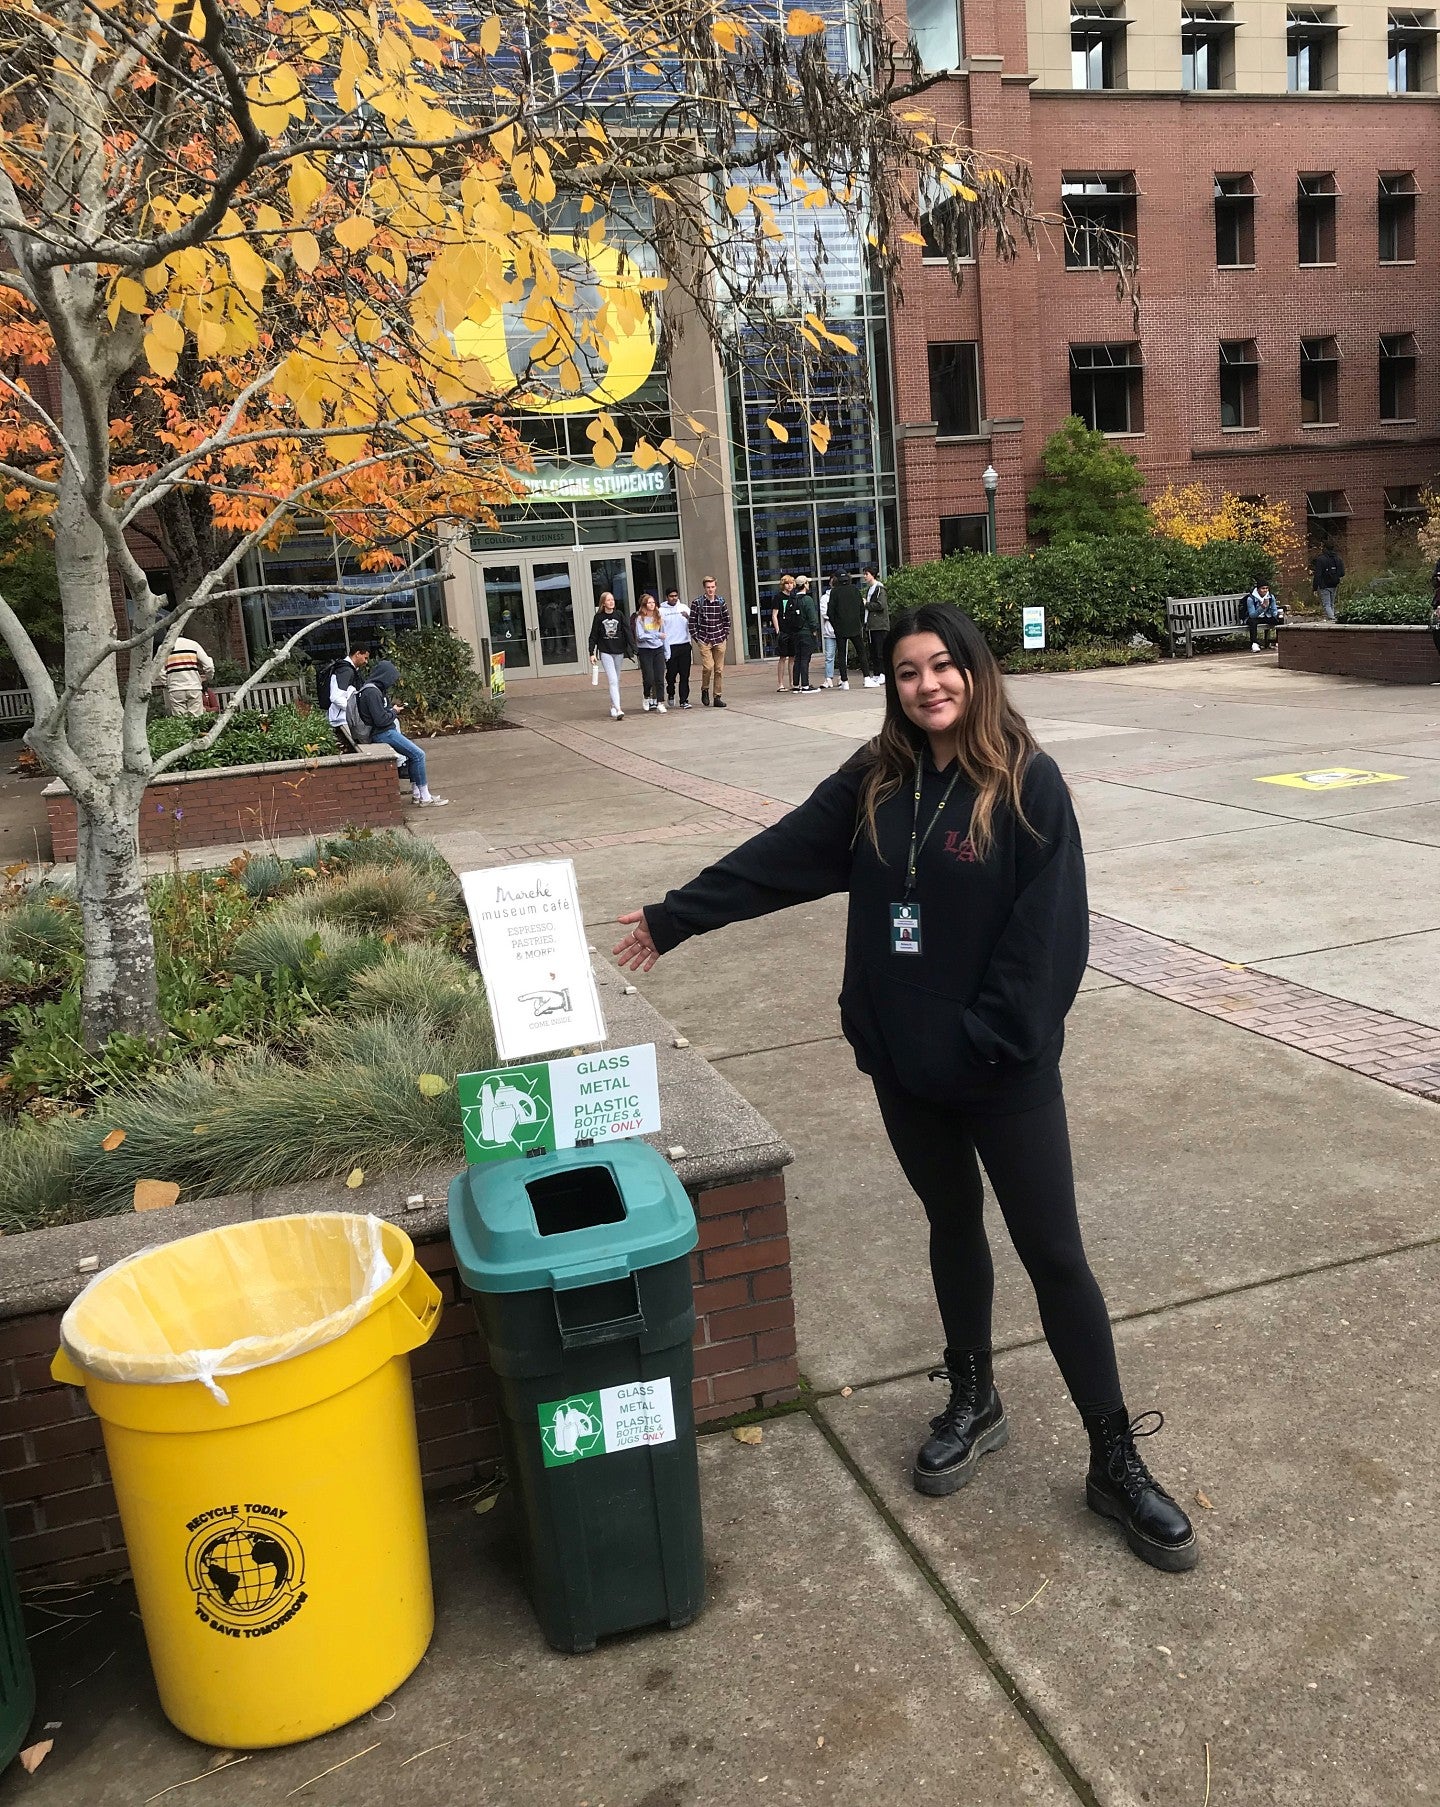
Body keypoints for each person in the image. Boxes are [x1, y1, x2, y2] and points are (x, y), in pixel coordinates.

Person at [613, 601, 1196, 1575]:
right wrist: (678, 917)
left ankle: (1113, 1456)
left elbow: (1050, 941)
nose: (929, 684)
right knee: (951, 1224)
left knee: (1054, 1253)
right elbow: (785, 855)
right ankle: (975, 1395)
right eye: (909, 671)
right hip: (906, 1070)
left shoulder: (1025, 785)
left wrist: (986, 1040)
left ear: (974, 671)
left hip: (1002, 1075)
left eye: (944, 666)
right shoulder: (874, 782)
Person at [353, 659, 447, 806]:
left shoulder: (372, 689)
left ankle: (417, 794)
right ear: (384, 676)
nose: (391, 682)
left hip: (383, 731)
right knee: (418, 754)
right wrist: (394, 712)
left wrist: (391, 710)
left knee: (412, 755)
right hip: (383, 733)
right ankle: (425, 797)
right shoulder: (371, 692)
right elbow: (380, 720)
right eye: (391, 678)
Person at [588, 591, 633, 720]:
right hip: (605, 651)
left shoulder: (619, 615)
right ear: (603, 603)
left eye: (612, 599)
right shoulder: (599, 618)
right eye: (608, 600)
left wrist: (633, 648)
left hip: (618, 651)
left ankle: (613, 705)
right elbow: (593, 636)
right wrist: (591, 652)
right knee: (612, 680)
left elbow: (627, 631)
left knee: (616, 680)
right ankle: (618, 709)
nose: (611, 602)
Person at [691, 576, 731, 709]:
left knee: (719, 669)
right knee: (708, 667)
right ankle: (705, 689)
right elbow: (692, 622)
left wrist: (725, 634)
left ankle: (717, 696)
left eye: (712, 587)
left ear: (716, 587)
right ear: (704, 588)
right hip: (705, 639)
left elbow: (726, 619)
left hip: (719, 638)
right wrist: (697, 638)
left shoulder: (720, 601)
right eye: (708, 587)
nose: (710, 590)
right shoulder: (698, 602)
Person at [827, 572, 869, 689]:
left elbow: (830, 612)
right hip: (855, 626)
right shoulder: (855, 590)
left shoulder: (834, 592)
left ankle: (844, 681)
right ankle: (866, 678)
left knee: (841, 654)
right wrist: (860, 623)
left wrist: (835, 625)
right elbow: (861, 608)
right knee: (861, 652)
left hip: (841, 627)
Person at [325, 646, 369, 753]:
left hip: (344, 717)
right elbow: (336, 697)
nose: (366, 662)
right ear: (357, 653)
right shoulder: (346, 671)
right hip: (342, 719)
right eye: (365, 658)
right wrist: (355, 710)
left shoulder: (347, 669)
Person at [160, 633, 215, 717]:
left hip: (176, 689)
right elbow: (209, 665)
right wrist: (207, 677)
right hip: (194, 687)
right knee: (196, 720)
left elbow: (159, 670)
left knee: (180, 722)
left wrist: (167, 683)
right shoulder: (193, 644)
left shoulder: (164, 647)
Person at [633, 593, 669, 714]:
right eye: (649, 603)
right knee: (649, 677)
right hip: (645, 650)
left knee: (659, 677)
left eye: (653, 602)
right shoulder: (640, 618)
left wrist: (666, 651)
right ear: (644, 604)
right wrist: (655, 635)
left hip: (658, 649)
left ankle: (660, 702)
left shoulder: (658, 617)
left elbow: (664, 635)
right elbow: (640, 636)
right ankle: (646, 696)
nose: (652, 605)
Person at [785, 577, 821, 693]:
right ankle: (805, 685)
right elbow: (812, 619)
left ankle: (796, 684)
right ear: (804, 585)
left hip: (795, 633)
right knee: (805, 659)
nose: (808, 585)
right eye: (807, 583)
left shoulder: (793, 599)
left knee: (798, 659)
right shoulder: (808, 600)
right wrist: (814, 631)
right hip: (806, 633)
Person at [661, 587, 693, 708]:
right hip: (670, 646)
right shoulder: (661, 610)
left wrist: (688, 618)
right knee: (671, 674)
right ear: (666, 597)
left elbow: (694, 623)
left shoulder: (684, 608)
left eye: (675, 596)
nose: (674, 598)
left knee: (685, 675)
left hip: (684, 644)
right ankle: (670, 692)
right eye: (671, 596)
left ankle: (684, 700)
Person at [772, 572, 797, 693]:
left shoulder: (794, 597)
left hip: (792, 631)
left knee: (792, 657)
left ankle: (792, 682)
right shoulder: (778, 597)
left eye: (791, 583)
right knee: (782, 657)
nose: (789, 585)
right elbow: (774, 615)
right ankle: (780, 683)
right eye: (787, 583)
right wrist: (778, 630)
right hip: (783, 631)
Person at [1244, 580, 1284, 651]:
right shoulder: (1251, 598)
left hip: (1265, 616)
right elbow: (1252, 615)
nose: (1265, 590)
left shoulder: (1270, 596)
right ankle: (1254, 643)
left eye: (1266, 588)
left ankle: (1278, 641)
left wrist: (1277, 615)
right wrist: (1262, 607)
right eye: (1263, 588)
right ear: (1258, 589)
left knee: (1280, 619)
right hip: (1254, 617)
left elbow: (1274, 609)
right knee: (1253, 622)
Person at [1310, 543, 1344, 623]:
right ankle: (1332, 617)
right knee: (1331, 603)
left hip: (1324, 585)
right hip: (1334, 584)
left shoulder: (1321, 559)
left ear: (1325, 549)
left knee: (1326, 604)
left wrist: (1315, 587)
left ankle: (1332, 619)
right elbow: (1342, 573)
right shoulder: (1338, 559)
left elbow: (1317, 574)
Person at [819, 576, 837, 688]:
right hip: (829, 631)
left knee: (842, 656)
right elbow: (825, 613)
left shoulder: (841, 595)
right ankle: (828, 678)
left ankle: (842, 678)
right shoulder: (825, 598)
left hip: (841, 631)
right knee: (829, 656)